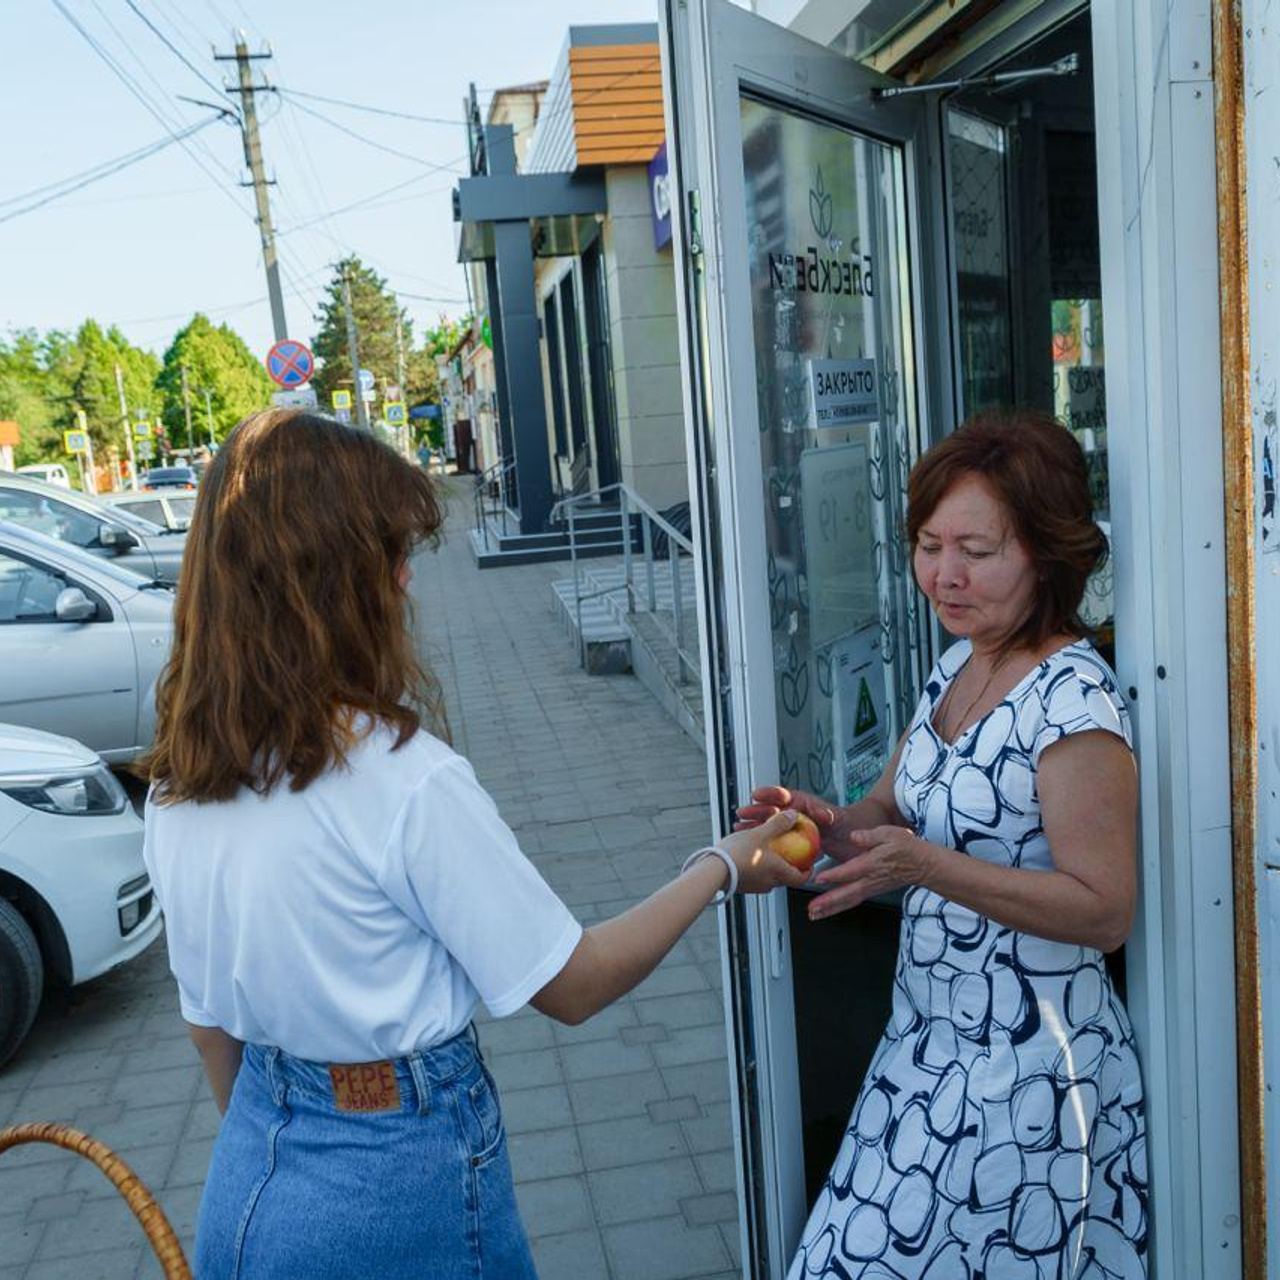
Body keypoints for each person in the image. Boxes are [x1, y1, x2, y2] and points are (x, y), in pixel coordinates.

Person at [140, 408, 808, 1279]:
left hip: (252, 1171)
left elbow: (209, 1035)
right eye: (391, 557)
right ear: (330, 584)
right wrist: (723, 865)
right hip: (397, 1185)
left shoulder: (178, 779)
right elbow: (572, 984)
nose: (407, 584)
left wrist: (290, 1136)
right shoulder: (400, 778)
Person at [738, 409, 1147, 1278]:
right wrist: (827, 824)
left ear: (1046, 553)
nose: (943, 575)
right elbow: (894, 806)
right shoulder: (959, 663)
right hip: (928, 1049)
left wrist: (925, 867)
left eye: (978, 550)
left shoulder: (1073, 703)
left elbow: (1106, 909)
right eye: (929, 544)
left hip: (1031, 1076)